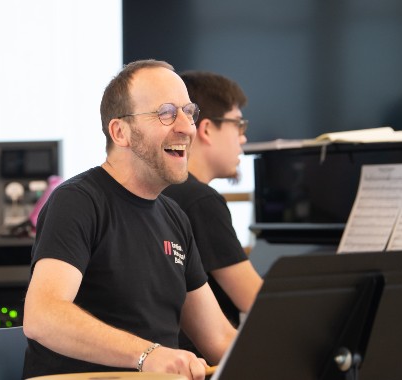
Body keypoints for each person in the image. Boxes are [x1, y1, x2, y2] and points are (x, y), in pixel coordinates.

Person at [22, 60, 236, 380]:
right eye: (166, 113)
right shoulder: (78, 201)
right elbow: (42, 316)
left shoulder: (174, 217)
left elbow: (218, 338)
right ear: (120, 132)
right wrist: (147, 355)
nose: (187, 126)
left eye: (189, 112)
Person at [162, 71, 263, 355]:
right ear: (206, 129)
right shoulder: (200, 200)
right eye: (238, 125)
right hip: (204, 361)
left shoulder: (165, 191)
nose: (243, 139)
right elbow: (256, 301)